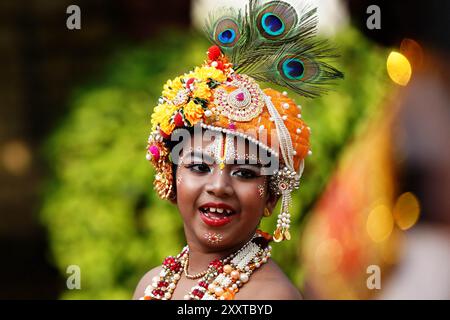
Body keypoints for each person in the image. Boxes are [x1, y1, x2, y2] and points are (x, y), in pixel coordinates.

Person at [133, 0, 342, 300]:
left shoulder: (270, 296)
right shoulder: (152, 284)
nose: (219, 186)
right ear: (170, 175)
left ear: (271, 195)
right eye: (199, 167)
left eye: (244, 172)